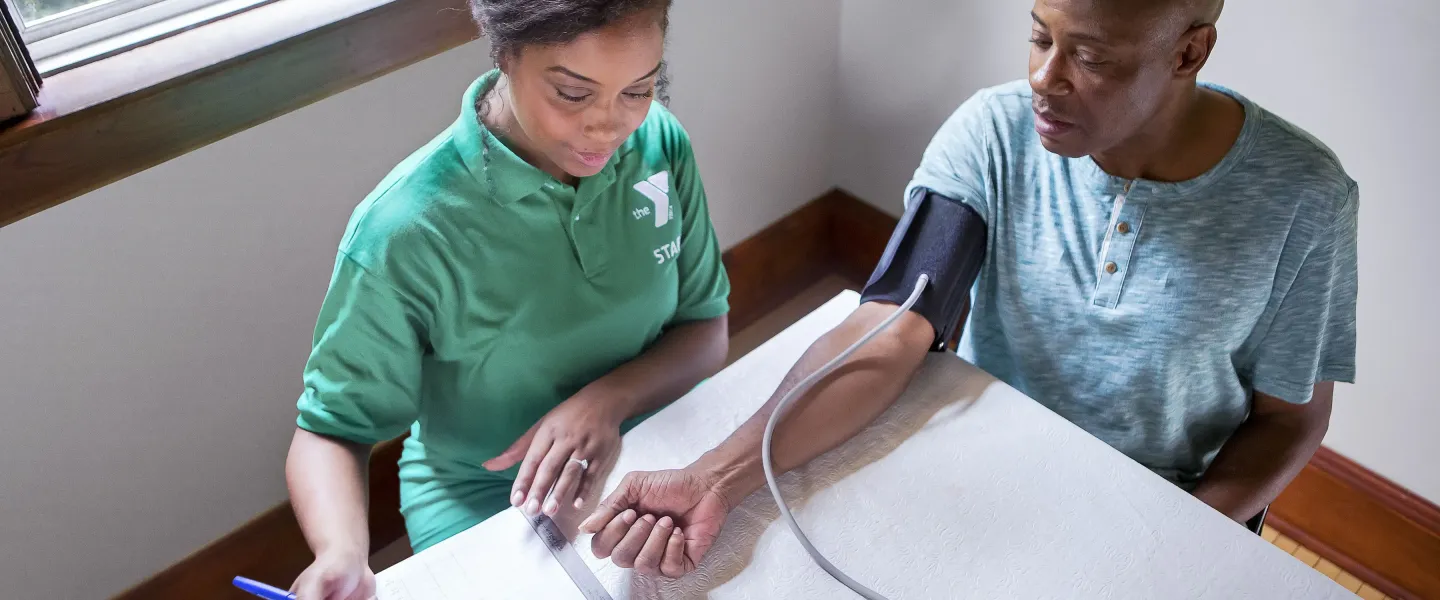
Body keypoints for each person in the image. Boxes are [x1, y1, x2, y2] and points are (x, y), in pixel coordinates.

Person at [581, 0, 1358, 577]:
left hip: (1164, 511)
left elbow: (1289, 422)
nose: (1043, 81)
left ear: (1190, 50)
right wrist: (714, 475)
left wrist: (1166, 545)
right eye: (1039, 35)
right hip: (984, 478)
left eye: (1090, 58)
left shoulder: (1303, 196)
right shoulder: (996, 133)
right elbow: (890, 326)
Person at [284, 1, 731, 598]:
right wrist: (341, 551)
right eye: (573, 93)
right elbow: (332, 429)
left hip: (662, 440)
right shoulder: (405, 229)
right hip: (488, 493)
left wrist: (604, 403)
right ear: (504, 53)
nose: (610, 126)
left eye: (639, 89)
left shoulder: (657, 146)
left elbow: (706, 329)